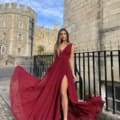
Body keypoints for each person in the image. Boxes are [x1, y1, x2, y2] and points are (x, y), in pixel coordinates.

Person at [10, 28, 104, 120]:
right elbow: (55, 59)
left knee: (63, 92)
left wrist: (73, 73)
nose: (63, 35)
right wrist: (49, 71)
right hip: (56, 69)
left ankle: (66, 117)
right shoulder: (57, 46)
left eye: (65, 34)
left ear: (67, 35)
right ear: (59, 35)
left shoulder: (71, 45)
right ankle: (58, 112)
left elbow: (71, 60)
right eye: (61, 34)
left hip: (65, 70)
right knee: (50, 90)